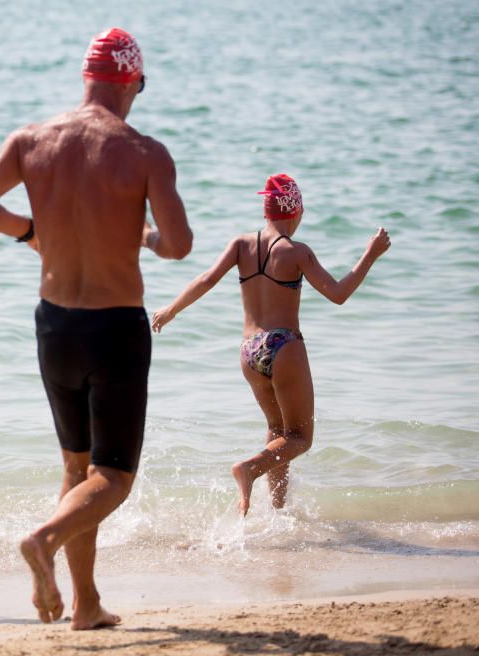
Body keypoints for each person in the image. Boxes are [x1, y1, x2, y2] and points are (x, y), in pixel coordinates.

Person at [0, 28, 193, 630]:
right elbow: (179, 246)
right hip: (115, 328)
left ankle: (86, 605)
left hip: (54, 326)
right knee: (112, 477)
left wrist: (31, 234)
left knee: (76, 468)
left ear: (85, 80)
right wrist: (142, 236)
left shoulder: (32, 140)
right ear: (133, 83)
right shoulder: (144, 153)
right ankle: (45, 538)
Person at [151, 173, 391, 516]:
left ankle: (277, 511)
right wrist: (370, 254)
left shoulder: (240, 244)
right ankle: (248, 468)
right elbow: (338, 294)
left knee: (278, 430)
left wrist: (171, 309)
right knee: (301, 438)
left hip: (249, 350)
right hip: (284, 346)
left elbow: (206, 279)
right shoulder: (296, 252)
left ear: (266, 212)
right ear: (296, 212)